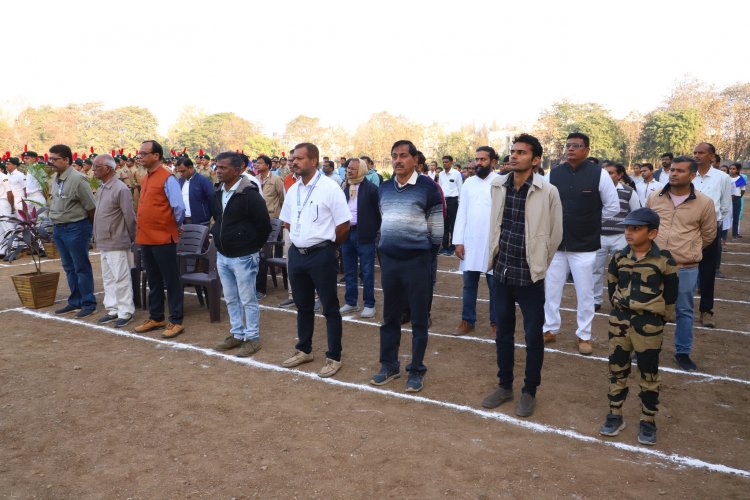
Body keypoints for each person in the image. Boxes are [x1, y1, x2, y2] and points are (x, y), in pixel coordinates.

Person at [480, 134, 562, 417]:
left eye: (521, 153)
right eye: (512, 151)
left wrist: (539, 263)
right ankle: (505, 386)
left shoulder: (547, 191)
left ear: (535, 160)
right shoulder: (498, 185)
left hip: (530, 277)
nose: (513, 156)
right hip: (501, 272)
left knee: (532, 336)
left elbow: (555, 235)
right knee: (502, 332)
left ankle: (530, 391)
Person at [598, 207, 678, 446]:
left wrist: (660, 319)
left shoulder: (664, 260)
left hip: (649, 324)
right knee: (617, 369)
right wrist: (618, 310)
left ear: (652, 233)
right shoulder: (620, 257)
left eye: (636, 229)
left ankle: (648, 420)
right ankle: (615, 414)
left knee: (649, 372)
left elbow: (671, 294)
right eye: (627, 228)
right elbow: (612, 286)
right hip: (620, 321)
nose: (629, 233)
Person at [371, 140, 443, 393]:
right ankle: (389, 365)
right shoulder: (385, 188)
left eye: (403, 156)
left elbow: (436, 232)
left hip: (417, 262)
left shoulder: (428, 188)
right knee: (390, 317)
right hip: (390, 263)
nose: (398, 160)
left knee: (419, 319)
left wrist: (425, 258)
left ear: (415, 159)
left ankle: (416, 370)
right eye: (394, 156)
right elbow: (383, 221)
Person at [279, 143, 351, 378]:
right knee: (303, 305)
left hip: (322, 254)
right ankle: (304, 349)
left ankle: (334, 356)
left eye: (299, 158)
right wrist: (301, 239)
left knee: (329, 307)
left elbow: (343, 225)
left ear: (313, 161)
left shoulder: (330, 188)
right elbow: (287, 221)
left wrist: (329, 248)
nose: (294, 162)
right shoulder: (293, 188)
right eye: (293, 158)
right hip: (297, 255)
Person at [543, 133, 619, 355]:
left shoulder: (599, 174)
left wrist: (592, 223)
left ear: (586, 149)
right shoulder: (554, 173)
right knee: (551, 289)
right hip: (557, 245)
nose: (571, 149)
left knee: (585, 293)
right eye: (568, 146)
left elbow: (612, 206)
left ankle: (584, 335)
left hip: (585, 245)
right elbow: (546, 205)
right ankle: (549, 329)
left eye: (576, 146)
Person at [646, 156, 716, 371]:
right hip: (654, 264)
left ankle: (683, 352)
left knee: (684, 311)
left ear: (692, 175)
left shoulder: (704, 203)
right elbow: (646, 225)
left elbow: (709, 234)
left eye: (680, 171)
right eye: (672, 170)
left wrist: (689, 251)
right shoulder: (655, 197)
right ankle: (646, 350)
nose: (674, 173)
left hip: (685, 267)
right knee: (649, 309)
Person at [210, 152, 272, 357]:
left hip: (244, 256)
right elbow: (217, 218)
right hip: (223, 255)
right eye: (217, 167)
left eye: (223, 168)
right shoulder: (218, 191)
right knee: (230, 298)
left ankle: (252, 338)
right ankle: (237, 334)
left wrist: (251, 246)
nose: (218, 171)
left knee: (248, 299)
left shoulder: (250, 194)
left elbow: (263, 225)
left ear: (238, 170)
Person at [133, 140, 187, 339]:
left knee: (171, 281)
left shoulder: (167, 177)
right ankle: (156, 317)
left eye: (144, 153)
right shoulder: (146, 178)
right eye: (140, 153)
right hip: (146, 237)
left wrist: (173, 226)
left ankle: (176, 320)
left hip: (164, 238)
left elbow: (178, 207)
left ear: (156, 156)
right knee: (154, 280)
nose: (140, 157)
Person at [453, 146, 500, 336]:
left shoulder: (501, 182)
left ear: (493, 162)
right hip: (470, 242)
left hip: (492, 243)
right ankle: (467, 320)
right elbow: (462, 213)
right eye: (477, 159)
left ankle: (496, 323)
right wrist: (458, 241)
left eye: (483, 159)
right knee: (468, 284)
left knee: (495, 287)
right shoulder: (468, 183)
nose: (478, 163)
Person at [47, 144, 98, 318]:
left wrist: (92, 231)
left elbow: (91, 207)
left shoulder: (78, 179)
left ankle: (88, 303)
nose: (51, 162)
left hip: (76, 228)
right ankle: (75, 301)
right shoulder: (56, 178)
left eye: (55, 159)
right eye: (50, 158)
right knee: (69, 267)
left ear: (67, 160)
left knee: (80, 266)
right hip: (59, 228)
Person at [92, 154, 137, 328]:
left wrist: (132, 238)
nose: (94, 170)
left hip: (117, 240)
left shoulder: (121, 188)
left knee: (121, 277)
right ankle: (113, 308)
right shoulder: (103, 187)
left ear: (108, 168)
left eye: (97, 167)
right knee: (108, 278)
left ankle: (125, 311)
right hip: (103, 240)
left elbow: (129, 216)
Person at [692, 142, 732, 328]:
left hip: (710, 229)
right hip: (687, 228)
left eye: (701, 152)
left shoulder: (722, 178)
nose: (697, 155)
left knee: (707, 272)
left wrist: (715, 225)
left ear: (712, 156)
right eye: (695, 152)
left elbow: (725, 205)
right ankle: (673, 307)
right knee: (680, 268)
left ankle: (706, 311)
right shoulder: (688, 174)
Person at [592, 163, 640, 311]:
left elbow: (636, 213)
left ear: (620, 175)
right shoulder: (595, 190)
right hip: (598, 236)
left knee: (623, 269)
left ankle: (621, 298)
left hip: (620, 237)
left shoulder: (628, 192)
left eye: (611, 173)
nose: (607, 175)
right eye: (605, 172)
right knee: (595, 269)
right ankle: (595, 300)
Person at [339, 157, 381, 319]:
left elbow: (378, 214)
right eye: (348, 168)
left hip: (364, 234)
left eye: (353, 169)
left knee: (367, 271)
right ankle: (351, 302)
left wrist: (372, 231)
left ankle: (369, 304)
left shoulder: (371, 189)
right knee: (349, 269)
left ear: (362, 170)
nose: (349, 171)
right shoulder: (344, 186)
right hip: (346, 232)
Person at [175, 157, 214, 226]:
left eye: (183, 171)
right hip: (183, 221)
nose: (181, 174)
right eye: (179, 172)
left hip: (201, 222)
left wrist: (206, 215)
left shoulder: (203, 181)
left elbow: (212, 199)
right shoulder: (180, 181)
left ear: (190, 168)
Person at [437, 155, 463, 256]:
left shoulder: (457, 174)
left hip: (453, 201)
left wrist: (460, 203)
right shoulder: (441, 174)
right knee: (444, 224)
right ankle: (444, 246)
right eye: (443, 162)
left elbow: (460, 189)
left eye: (447, 162)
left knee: (453, 224)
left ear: (451, 162)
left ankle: (452, 246)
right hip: (443, 201)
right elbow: (440, 188)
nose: (444, 164)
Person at [730, 163, 746, 239]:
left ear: (738, 170)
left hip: (736, 199)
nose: (731, 170)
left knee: (735, 217)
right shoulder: (726, 178)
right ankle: (722, 234)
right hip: (727, 199)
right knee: (724, 217)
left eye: (734, 169)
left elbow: (743, 190)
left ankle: (734, 234)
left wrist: (738, 197)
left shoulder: (740, 179)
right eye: (730, 168)